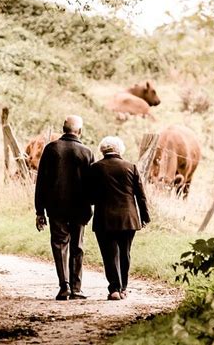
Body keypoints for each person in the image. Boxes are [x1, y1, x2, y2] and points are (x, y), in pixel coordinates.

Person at [35, 115, 95, 300]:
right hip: (80, 207)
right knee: (77, 246)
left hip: (56, 207)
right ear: (80, 131)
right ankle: (77, 288)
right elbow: (92, 184)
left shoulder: (51, 149)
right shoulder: (87, 152)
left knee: (60, 244)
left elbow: (41, 182)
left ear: (63, 128)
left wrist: (40, 211)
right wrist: (91, 204)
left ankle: (64, 286)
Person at [88, 136, 150, 301]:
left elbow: (90, 196)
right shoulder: (131, 167)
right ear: (120, 150)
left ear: (103, 150)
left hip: (104, 218)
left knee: (109, 254)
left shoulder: (95, 168)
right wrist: (144, 217)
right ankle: (123, 288)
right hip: (128, 218)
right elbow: (141, 196)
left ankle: (114, 288)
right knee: (125, 253)